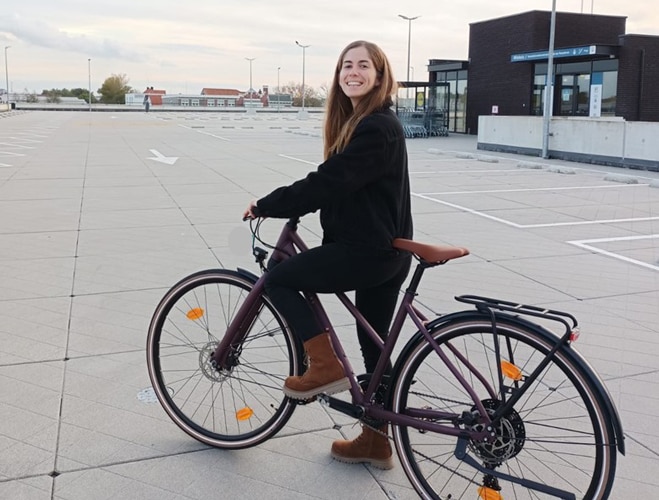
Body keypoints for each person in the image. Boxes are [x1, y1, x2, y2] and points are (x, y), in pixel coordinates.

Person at [243, 40, 413, 469]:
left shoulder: (376, 127)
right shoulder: (368, 123)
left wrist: (269, 204)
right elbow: (343, 185)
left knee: (277, 279)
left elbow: (329, 181)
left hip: (366, 251)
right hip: (384, 250)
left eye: (363, 66)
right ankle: (376, 441)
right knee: (374, 349)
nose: (352, 72)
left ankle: (325, 366)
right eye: (346, 66)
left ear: (379, 75)